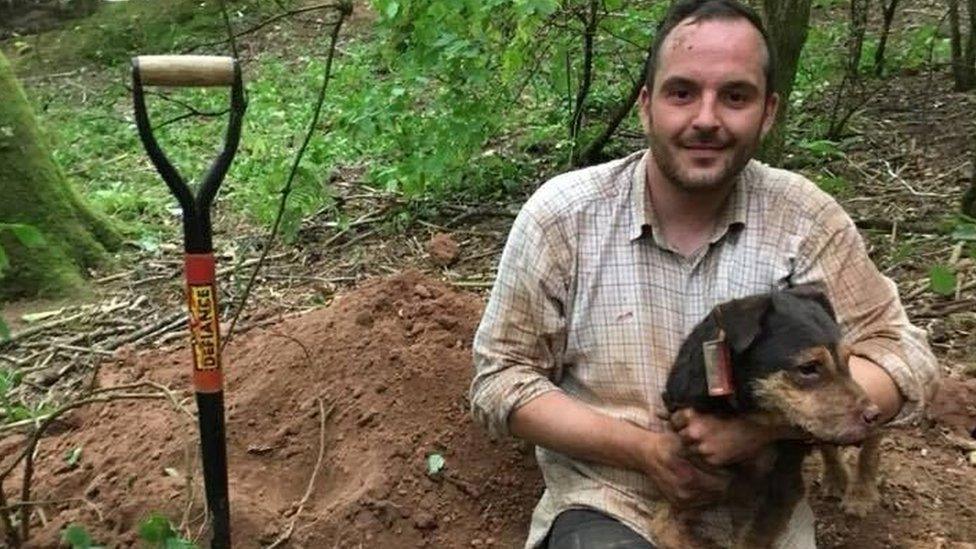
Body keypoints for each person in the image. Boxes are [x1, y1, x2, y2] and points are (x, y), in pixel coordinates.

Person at [468, 0, 940, 547]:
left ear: (768, 112)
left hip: (764, 513)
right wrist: (642, 450)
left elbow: (906, 356)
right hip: (613, 504)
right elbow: (500, 379)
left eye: (735, 96)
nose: (706, 119)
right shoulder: (562, 219)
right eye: (682, 92)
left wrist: (758, 429)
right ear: (646, 105)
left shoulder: (805, 219)